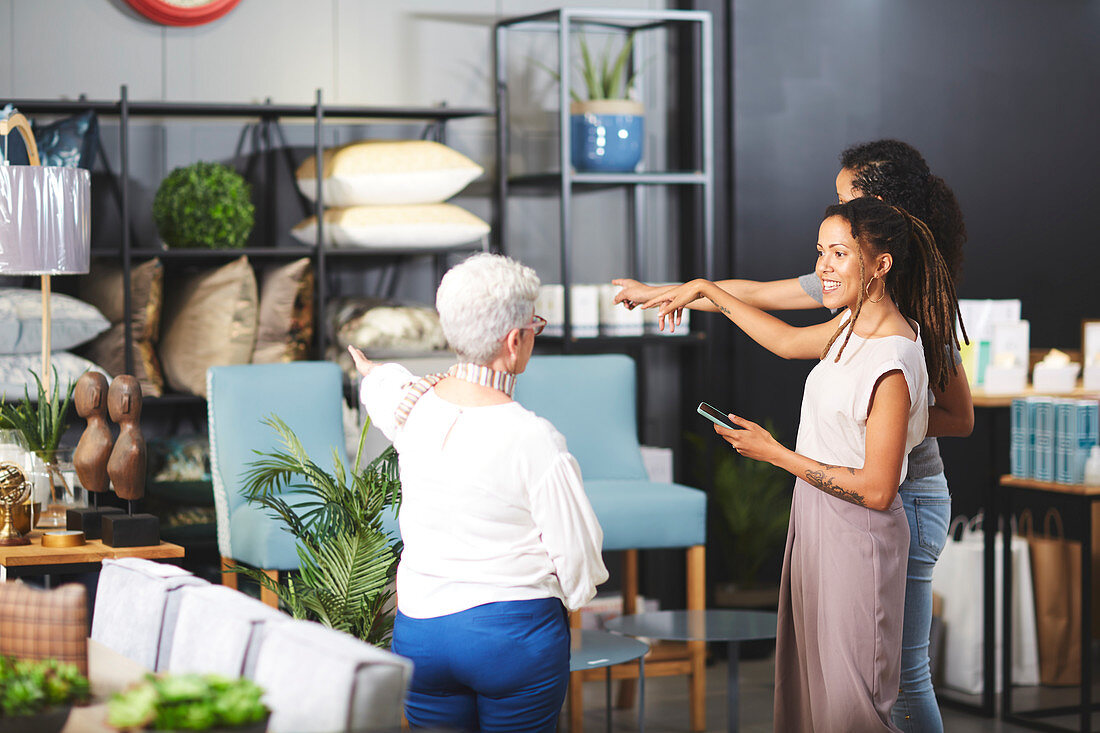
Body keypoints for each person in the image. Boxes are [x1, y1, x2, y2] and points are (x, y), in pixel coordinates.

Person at [613, 139, 970, 732]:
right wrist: (687, 290)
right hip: (843, 500)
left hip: (901, 495)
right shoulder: (851, 310)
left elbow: (954, 421)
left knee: (896, 680)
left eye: (846, 201)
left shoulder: (908, 321)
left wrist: (875, 416)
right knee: (846, 679)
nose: (827, 259)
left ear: (878, 214)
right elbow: (769, 313)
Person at [348, 253, 608, 733]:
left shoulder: (413, 409)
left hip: (420, 636)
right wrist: (571, 596)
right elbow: (580, 557)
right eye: (535, 326)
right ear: (514, 341)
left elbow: (384, 388)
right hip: (511, 638)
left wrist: (372, 373)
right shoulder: (533, 438)